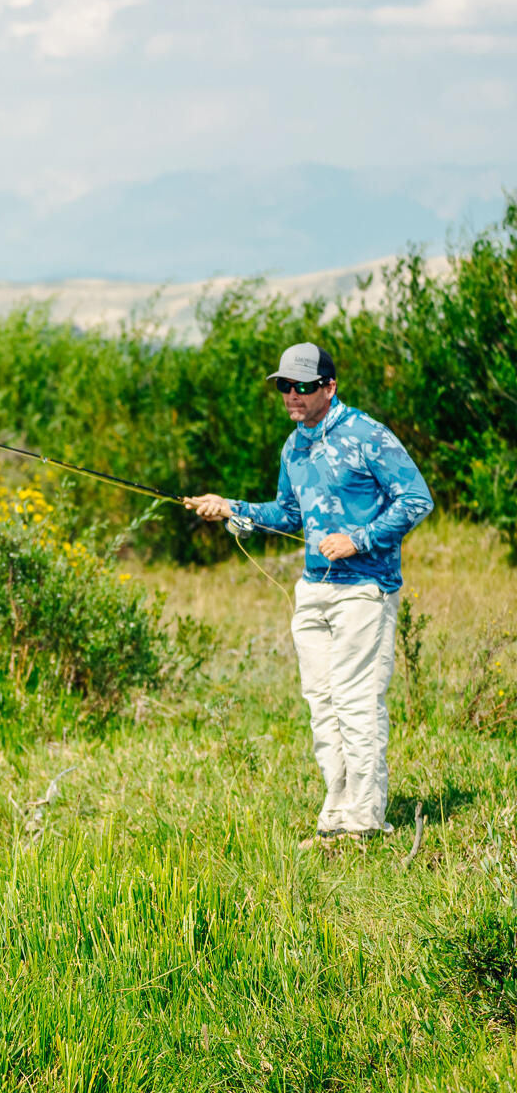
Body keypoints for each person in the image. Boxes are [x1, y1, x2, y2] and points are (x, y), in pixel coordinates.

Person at [184, 342, 435, 842]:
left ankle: (365, 823)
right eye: (284, 387)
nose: (292, 396)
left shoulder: (367, 434)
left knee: (357, 702)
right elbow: (287, 514)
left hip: (365, 588)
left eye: (302, 386)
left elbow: (416, 498)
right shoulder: (293, 446)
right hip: (312, 589)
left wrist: (360, 539)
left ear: (329, 387)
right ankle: (337, 815)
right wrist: (230, 506)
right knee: (322, 703)